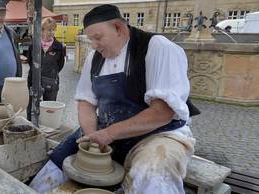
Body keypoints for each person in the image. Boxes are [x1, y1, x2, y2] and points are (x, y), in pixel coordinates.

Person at [30, 4, 198, 194]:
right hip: (106, 129)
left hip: (158, 134)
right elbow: (86, 103)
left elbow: (162, 113)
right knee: (51, 172)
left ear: (118, 28)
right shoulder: (94, 57)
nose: (93, 45)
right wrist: (92, 137)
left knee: (152, 175)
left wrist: (109, 134)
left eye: (98, 38)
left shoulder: (158, 48)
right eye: (90, 39)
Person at [27, 17, 65, 101]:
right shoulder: (34, 45)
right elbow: (30, 61)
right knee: (33, 107)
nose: (52, 32)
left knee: (49, 108)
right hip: (34, 81)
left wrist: (51, 72)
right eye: (49, 30)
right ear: (42, 30)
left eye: (53, 30)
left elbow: (60, 64)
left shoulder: (58, 46)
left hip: (51, 82)